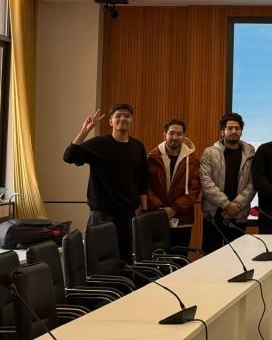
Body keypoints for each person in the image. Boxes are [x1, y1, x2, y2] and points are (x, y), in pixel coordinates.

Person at [64, 103, 148, 263]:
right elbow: (69, 156)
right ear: (111, 121)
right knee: (101, 261)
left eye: (127, 116)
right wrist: (85, 131)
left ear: (132, 120)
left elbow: (142, 178)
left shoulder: (137, 146)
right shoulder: (99, 144)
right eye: (118, 116)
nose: (122, 119)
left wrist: (143, 208)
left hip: (128, 214)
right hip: (101, 215)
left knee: (125, 261)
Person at [199, 112, 255, 253]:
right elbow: (206, 182)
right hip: (214, 214)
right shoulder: (209, 153)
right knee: (210, 257)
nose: (234, 131)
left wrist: (236, 206)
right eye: (230, 128)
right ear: (222, 131)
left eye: (237, 128)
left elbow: (252, 183)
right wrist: (226, 205)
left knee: (237, 257)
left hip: (238, 213)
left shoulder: (250, 154)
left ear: (241, 131)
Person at [146, 118, 201, 251]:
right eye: (171, 133)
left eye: (179, 134)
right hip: (157, 217)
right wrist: (160, 208)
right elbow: (146, 186)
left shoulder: (193, 160)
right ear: (164, 135)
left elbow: (194, 189)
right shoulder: (152, 158)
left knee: (180, 258)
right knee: (158, 258)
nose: (175, 137)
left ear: (184, 136)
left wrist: (174, 208)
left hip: (183, 219)